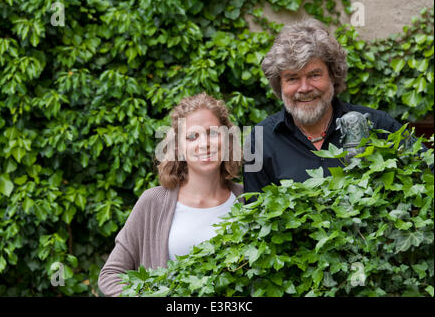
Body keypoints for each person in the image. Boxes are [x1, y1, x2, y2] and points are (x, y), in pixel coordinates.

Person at [98, 92, 244, 297]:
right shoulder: (153, 202)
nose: (205, 144)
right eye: (192, 136)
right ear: (179, 147)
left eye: (212, 133)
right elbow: (111, 274)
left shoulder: (247, 200)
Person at [243, 19, 405, 193]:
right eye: (292, 78)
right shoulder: (258, 142)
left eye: (314, 75)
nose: (304, 88)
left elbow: (427, 172)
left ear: (333, 76)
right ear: (279, 84)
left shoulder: (380, 125)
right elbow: (255, 212)